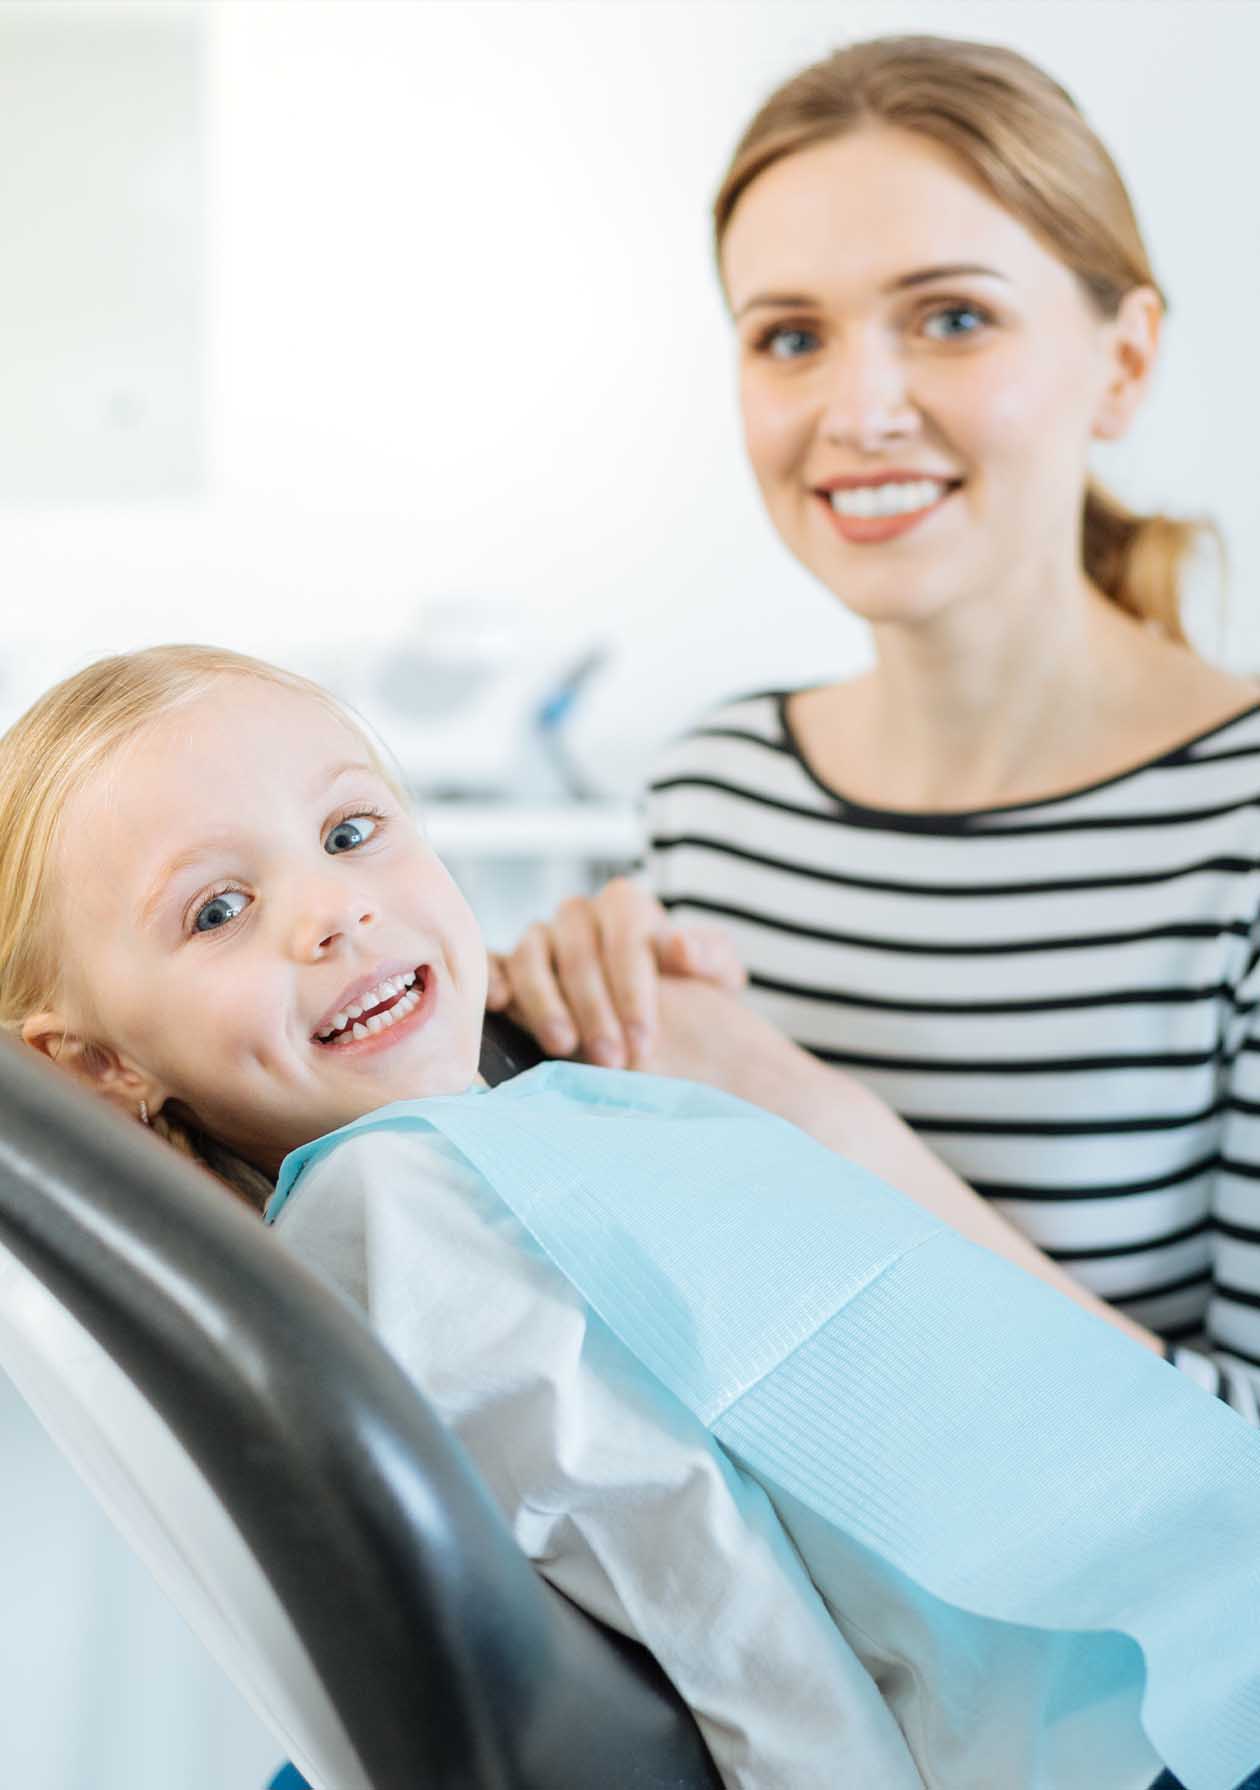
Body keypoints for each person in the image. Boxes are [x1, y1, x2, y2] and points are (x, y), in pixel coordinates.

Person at [2, 643, 1260, 1790]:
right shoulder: (398, 1203)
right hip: (1099, 1716)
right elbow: (681, 1548)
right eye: (218, 910)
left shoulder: (489, 1141)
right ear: (98, 1066)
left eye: (350, 829)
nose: (334, 910)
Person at [488, 32, 1260, 1421]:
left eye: (952, 317)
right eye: (791, 337)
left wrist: (826, 1131)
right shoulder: (716, 791)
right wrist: (553, 1042)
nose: (858, 411)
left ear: (1125, 360)